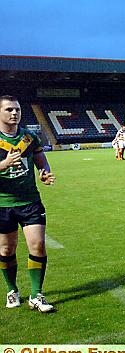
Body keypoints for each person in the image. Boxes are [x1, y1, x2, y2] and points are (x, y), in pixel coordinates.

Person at [0, 95, 56, 313]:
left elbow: (41, 162)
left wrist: (45, 174)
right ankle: (12, 289)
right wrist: (3, 164)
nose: (14, 113)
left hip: (30, 202)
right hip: (3, 204)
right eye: (9, 110)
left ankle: (36, 294)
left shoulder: (29, 138)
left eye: (17, 110)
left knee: (38, 245)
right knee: (6, 248)